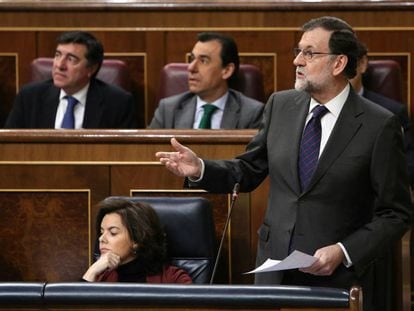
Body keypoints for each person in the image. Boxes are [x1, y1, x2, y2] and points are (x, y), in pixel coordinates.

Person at [155, 16, 412, 310]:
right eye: (298, 51)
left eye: (310, 53)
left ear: (339, 63)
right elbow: (249, 170)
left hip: (338, 277)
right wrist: (201, 169)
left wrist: (343, 251)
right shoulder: (280, 105)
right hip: (275, 270)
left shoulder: (379, 124)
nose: (297, 61)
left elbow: (396, 214)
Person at [5, 31, 137, 129]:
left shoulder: (117, 103)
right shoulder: (29, 97)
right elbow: (9, 147)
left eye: (71, 59)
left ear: (91, 68)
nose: (59, 65)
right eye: (58, 55)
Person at [149, 32, 264, 129]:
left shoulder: (252, 114)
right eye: (193, 59)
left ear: (227, 70)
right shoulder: (168, 110)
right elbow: (149, 152)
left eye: (204, 61)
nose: (191, 68)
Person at [82, 198, 192, 283]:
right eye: (102, 232)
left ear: (136, 240)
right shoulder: (100, 277)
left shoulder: (174, 279)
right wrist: (92, 271)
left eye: (113, 233)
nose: (101, 239)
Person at [350, 40, 414, 186]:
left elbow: (408, 167)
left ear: (362, 64)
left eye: (346, 61)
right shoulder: (314, 111)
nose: (339, 69)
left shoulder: (392, 112)